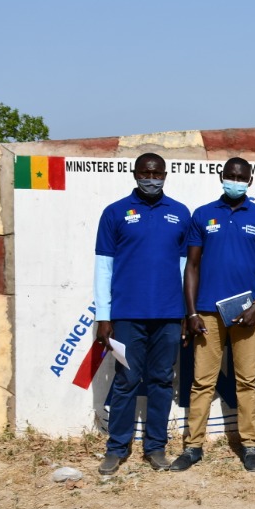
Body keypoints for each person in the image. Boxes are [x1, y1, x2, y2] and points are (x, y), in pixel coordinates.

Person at [170, 157, 255, 473]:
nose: (235, 180)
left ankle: (249, 447)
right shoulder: (203, 215)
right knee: (202, 382)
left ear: (250, 181)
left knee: (248, 381)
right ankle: (193, 447)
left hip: (247, 313)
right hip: (206, 313)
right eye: (230, 175)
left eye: (240, 177)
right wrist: (190, 312)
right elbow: (191, 266)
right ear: (222, 177)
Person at [93, 152, 190, 475]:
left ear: (166, 174)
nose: (152, 178)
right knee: (126, 380)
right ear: (135, 174)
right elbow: (103, 267)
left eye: (157, 172)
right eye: (145, 172)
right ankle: (116, 448)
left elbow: (183, 267)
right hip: (127, 315)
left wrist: (185, 314)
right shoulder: (115, 213)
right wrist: (103, 317)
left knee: (162, 381)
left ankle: (156, 447)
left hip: (168, 314)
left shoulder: (179, 213)